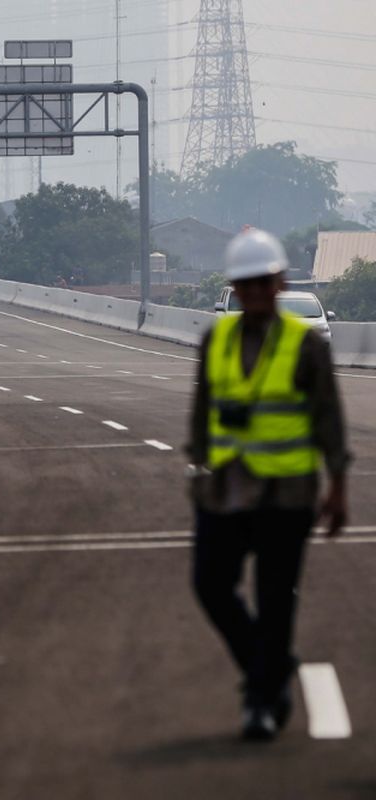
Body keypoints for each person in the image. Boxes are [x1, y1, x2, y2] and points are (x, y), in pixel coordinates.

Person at [187, 228, 349, 742]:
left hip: (288, 493)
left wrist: (338, 484)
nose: (255, 291)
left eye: (263, 282)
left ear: (279, 282)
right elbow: (201, 409)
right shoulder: (217, 338)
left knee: (277, 598)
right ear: (234, 287)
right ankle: (271, 663)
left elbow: (328, 417)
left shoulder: (304, 345)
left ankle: (260, 699)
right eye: (245, 284)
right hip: (227, 489)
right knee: (210, 585)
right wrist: (196, 463)